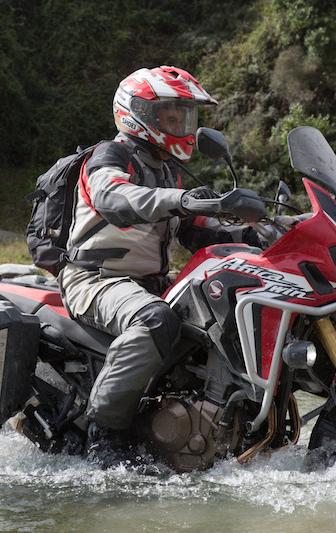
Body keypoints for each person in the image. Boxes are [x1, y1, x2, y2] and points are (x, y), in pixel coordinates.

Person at [58, 65, 263, 468]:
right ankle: (106, 433)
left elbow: (199, 233)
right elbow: (115, 199)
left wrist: (268, 234)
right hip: (95, 279)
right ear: (139, 114)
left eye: (184, 116)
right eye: (170, 116)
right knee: (156, 320)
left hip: (149, 282)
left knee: (226, 320)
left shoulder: (167, 169)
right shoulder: (109, 155)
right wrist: (180, 199)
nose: (181, 125)